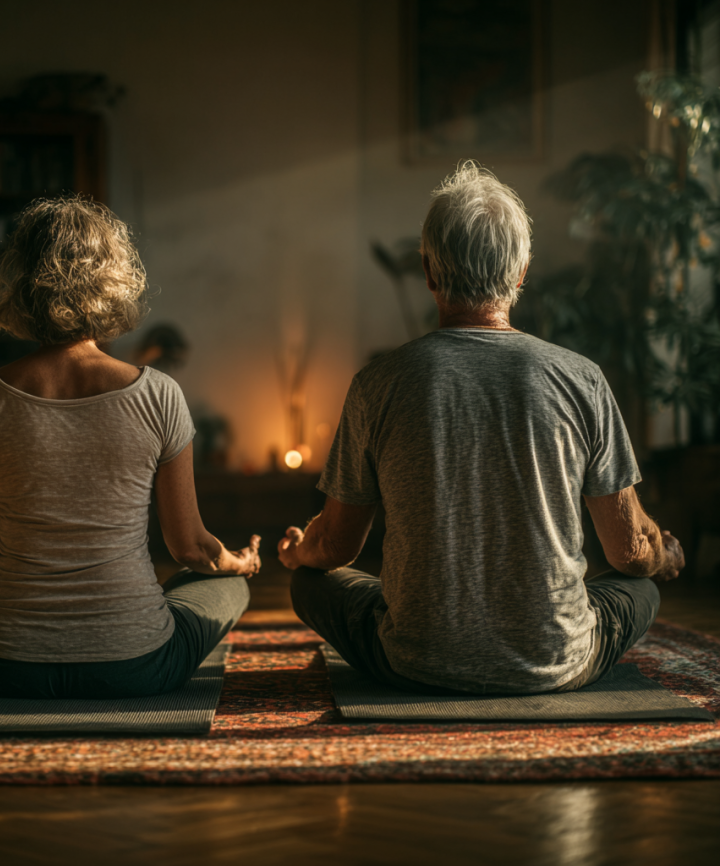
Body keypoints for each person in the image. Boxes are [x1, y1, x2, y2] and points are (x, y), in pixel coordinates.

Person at [278, 162, 685, 696]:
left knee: (312, 584)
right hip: (556, 662)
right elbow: (629, 551)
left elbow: (334, 547)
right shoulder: (581, 379)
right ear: (520, 274)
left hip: (414, 661)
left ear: (427, 272)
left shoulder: (377, 383)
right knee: (641, 588)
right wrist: (664, 554)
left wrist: (297, 551)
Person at [0, 196, 260, 699]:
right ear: (113, 282)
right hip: (135, 666)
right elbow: (191, 549)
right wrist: (238, 563)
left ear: (18, 284)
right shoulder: (158, 394)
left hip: (5, 668)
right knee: (225, 585)